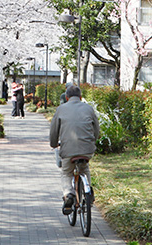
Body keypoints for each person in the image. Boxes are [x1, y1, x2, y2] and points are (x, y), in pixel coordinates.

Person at [49, 84, 100, 215]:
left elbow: (54, 131)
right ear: (81, 97)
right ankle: (88, 192)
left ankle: (69, 194)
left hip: (68, 150)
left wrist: (54, 144)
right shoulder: (89, 108)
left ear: (66, 97)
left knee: (66, 172)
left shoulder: (61, 109)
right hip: (87, 149)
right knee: (84, 168)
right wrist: (92, 141)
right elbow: (96, 129)